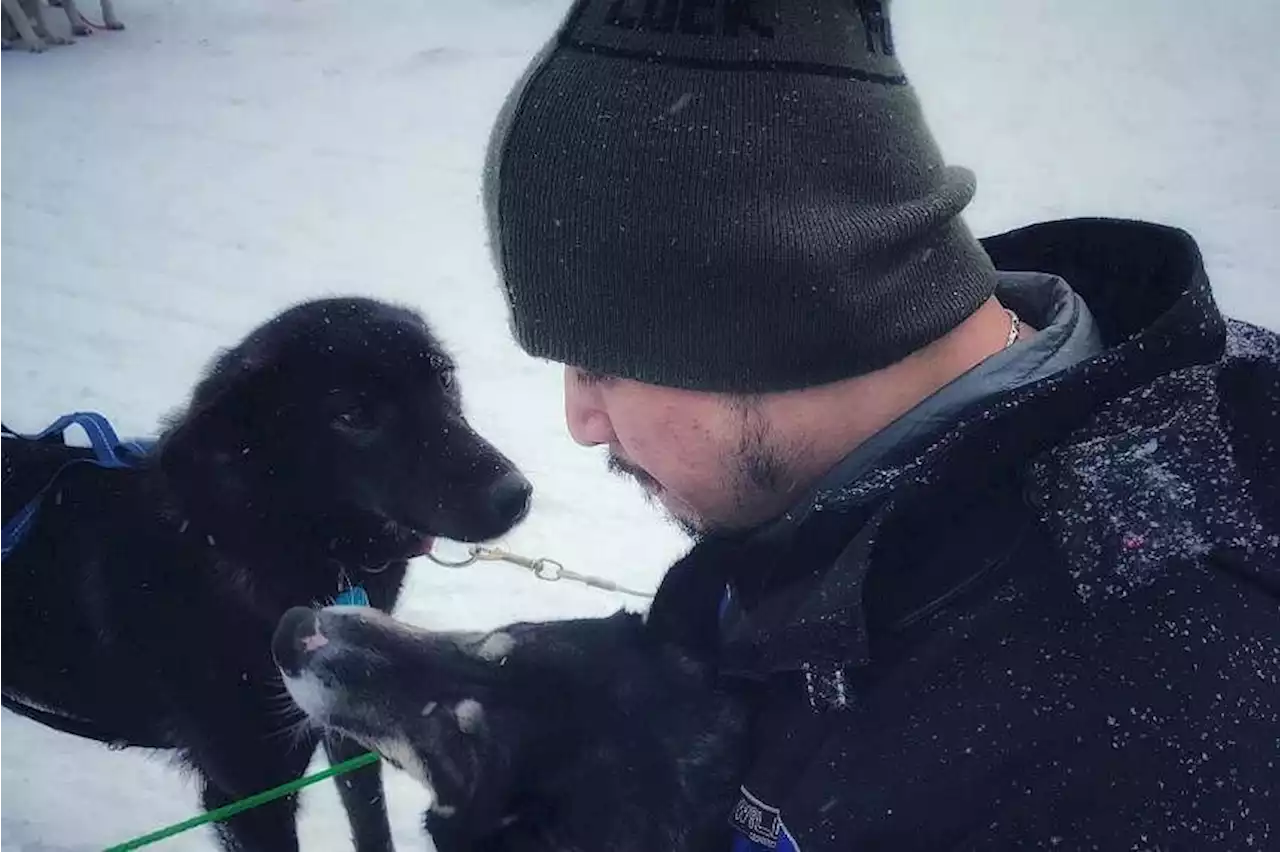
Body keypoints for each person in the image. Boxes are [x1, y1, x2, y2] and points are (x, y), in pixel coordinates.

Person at [481, 0, 1280, 848]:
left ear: (766, 327)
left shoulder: (1150, 729)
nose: (582, 422)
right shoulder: (826, 505)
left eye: (598, 362)